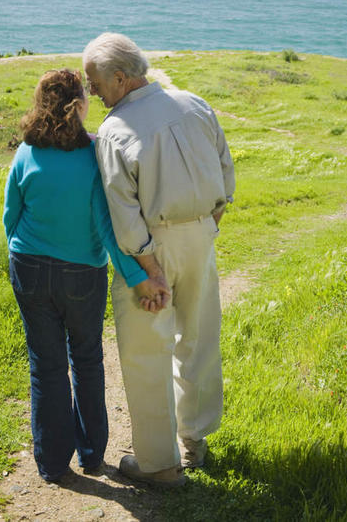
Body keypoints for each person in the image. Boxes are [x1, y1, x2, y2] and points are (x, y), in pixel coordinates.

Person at [82, 32, 235, 489]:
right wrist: (210, 224)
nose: (92, 91)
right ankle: (195, 442)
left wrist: (150, 268)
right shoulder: (194, 103)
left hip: (152, 247)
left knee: (147, 350)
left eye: (94, 81)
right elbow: (226, 170)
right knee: (200, 338)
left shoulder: (113, 131)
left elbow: (124, 212)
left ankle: (158, 464)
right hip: (200, 236)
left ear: (120, 78)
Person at [3, 69, 161, 483]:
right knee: (87, 361)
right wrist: (136, 273)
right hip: (82, 276)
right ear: (79, 106)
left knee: (46, 366)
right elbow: (107, 230)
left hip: (29, 267)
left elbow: (10, 218)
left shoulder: (25, 152)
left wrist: (25, 257)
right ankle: (91, 455)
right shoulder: (93, 156)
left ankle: (52, 465)